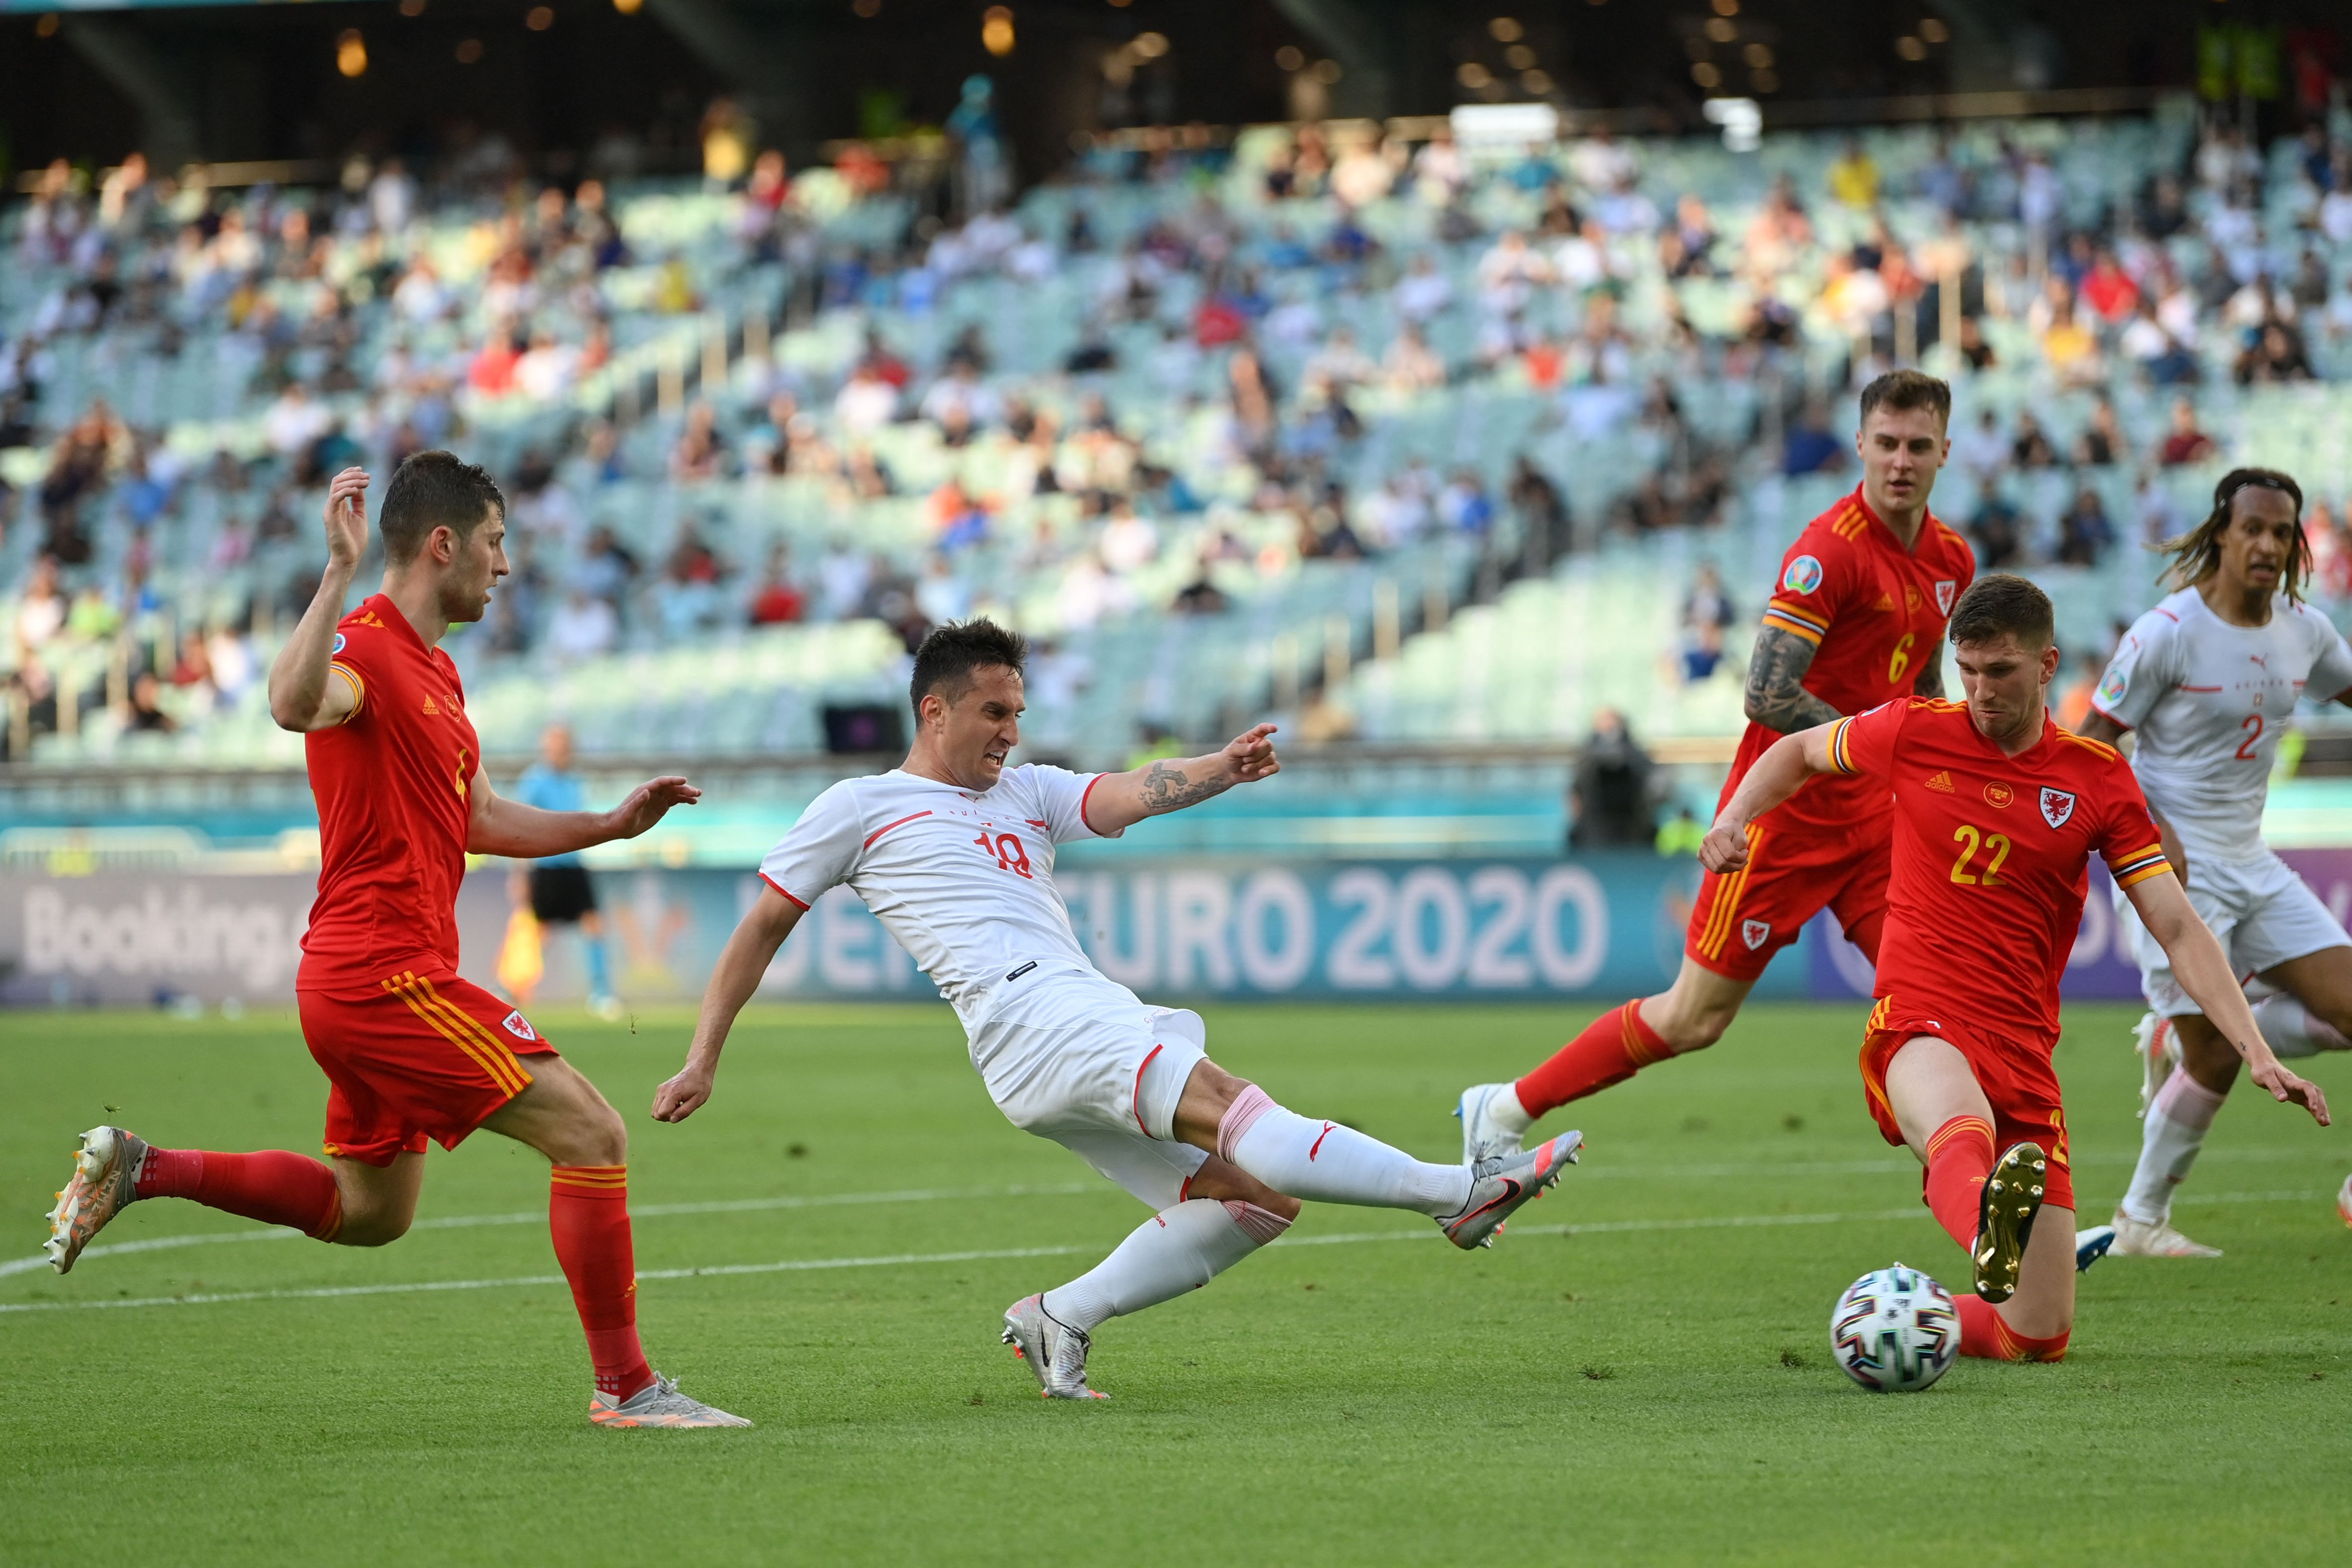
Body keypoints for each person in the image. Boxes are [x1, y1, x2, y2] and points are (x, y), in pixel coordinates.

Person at [651, 620, 1579, 1399]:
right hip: (1035, 1018)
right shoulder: (862, 806)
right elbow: (762, 925)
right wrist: (702, 1057)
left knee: (1256, 1198)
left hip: (1043, 1039)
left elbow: (1135, 788)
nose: (1011, 731)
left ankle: (1061, 1317)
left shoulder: (1028, 791)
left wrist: (1223, 766)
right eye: (994, 712)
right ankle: (1457, 1195)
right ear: (933, 710)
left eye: (1019, 712)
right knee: (1231, 1102)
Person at [42, 455, 745, 1429]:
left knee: (373, 1213)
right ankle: (627, 1389)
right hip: (382, 975)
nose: (506, 565)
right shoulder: (363, 652)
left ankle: (143, 1166)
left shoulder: (439, 672)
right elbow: (293, 705)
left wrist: (611, 825)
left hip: (364, 980)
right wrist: (336, 570)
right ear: (444, 544)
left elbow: (480, 817)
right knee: (593, 1133)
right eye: (496, 543)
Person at [1698, 574, 2327, 1361]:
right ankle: (1984, 1228)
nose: (1979, 691)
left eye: (1998, 671)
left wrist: (2255, 1050)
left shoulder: (2096, 778)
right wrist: (1733, 817)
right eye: (1965, 670)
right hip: (1921, 1016)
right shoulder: (1912, 728)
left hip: (2024, 1047)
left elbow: (2175, 925)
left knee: (2034, 1334)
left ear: (2045, 664)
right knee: (1957, 1129)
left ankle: (1891, 1320)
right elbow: (1794, 750)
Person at [1455, 371, 1975, 1162]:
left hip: (1876, 825)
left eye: (1917, 446)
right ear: (1859, 445)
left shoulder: (1950, 560)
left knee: (1939, 1002)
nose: (1900, 461)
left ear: (1944, 452)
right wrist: (1872, 745)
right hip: (1780, 821)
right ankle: (1502, 1107)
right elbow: (1765, 694)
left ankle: (1980, 1184)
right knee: (1692, 1018)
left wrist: (1938, 767)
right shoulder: (1828, 553)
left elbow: (1919, 679)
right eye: (1886, 444)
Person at [2083, 468, 2352, 1254]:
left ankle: (2191, 1033)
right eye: (2252, 529)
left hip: (2250, 861)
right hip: (2171, 870)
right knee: (2213, 1058)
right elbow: (2092, 745)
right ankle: (2139, 1221)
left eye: (2281, 532)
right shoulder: (2166, 632)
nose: (2266, 544)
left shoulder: (2304, 631)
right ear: (2221, 534)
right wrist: (2150, 826)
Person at [511, 722, 623, 1019]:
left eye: (563, 745)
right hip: (546, 867)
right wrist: (520, 875)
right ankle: (515, 987)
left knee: (594, 925)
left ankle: (601, 993)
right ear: (546, 748)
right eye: (554, 745)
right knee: (539, 933)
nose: (559, 751)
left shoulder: (575, 781)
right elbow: (518, 829)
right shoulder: (534, 782)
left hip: (573, 866)